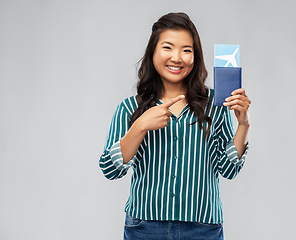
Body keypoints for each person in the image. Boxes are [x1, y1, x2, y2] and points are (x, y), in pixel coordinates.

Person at [99, 12, 251, 240]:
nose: (177, 58)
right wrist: (140, 126)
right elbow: (110, 170)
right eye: (168, 47)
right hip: (145, 227)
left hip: (203, 227)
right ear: (153, 53)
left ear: (195, 57)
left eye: (186, 50)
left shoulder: (215, 105)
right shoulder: (130, 108)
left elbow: (228, 169)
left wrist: (243, 124)